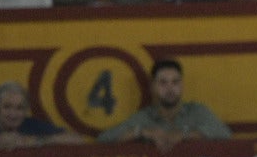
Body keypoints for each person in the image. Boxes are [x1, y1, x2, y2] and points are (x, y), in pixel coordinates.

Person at [98, 59, 233, 150]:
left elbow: (225, 135)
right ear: (152, 87)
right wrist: (142, 132)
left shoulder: (197, 111)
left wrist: (184, 134)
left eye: (175, 82)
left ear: (182, 85)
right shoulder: (144, 117)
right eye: (163, 83)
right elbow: (104, 141)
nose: (170, 88)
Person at [0, 81, 85, 149]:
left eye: (19, 108)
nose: (13, 114)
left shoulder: (31, 125)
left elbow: (77, 140)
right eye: (7, 107)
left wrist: (33, 141)